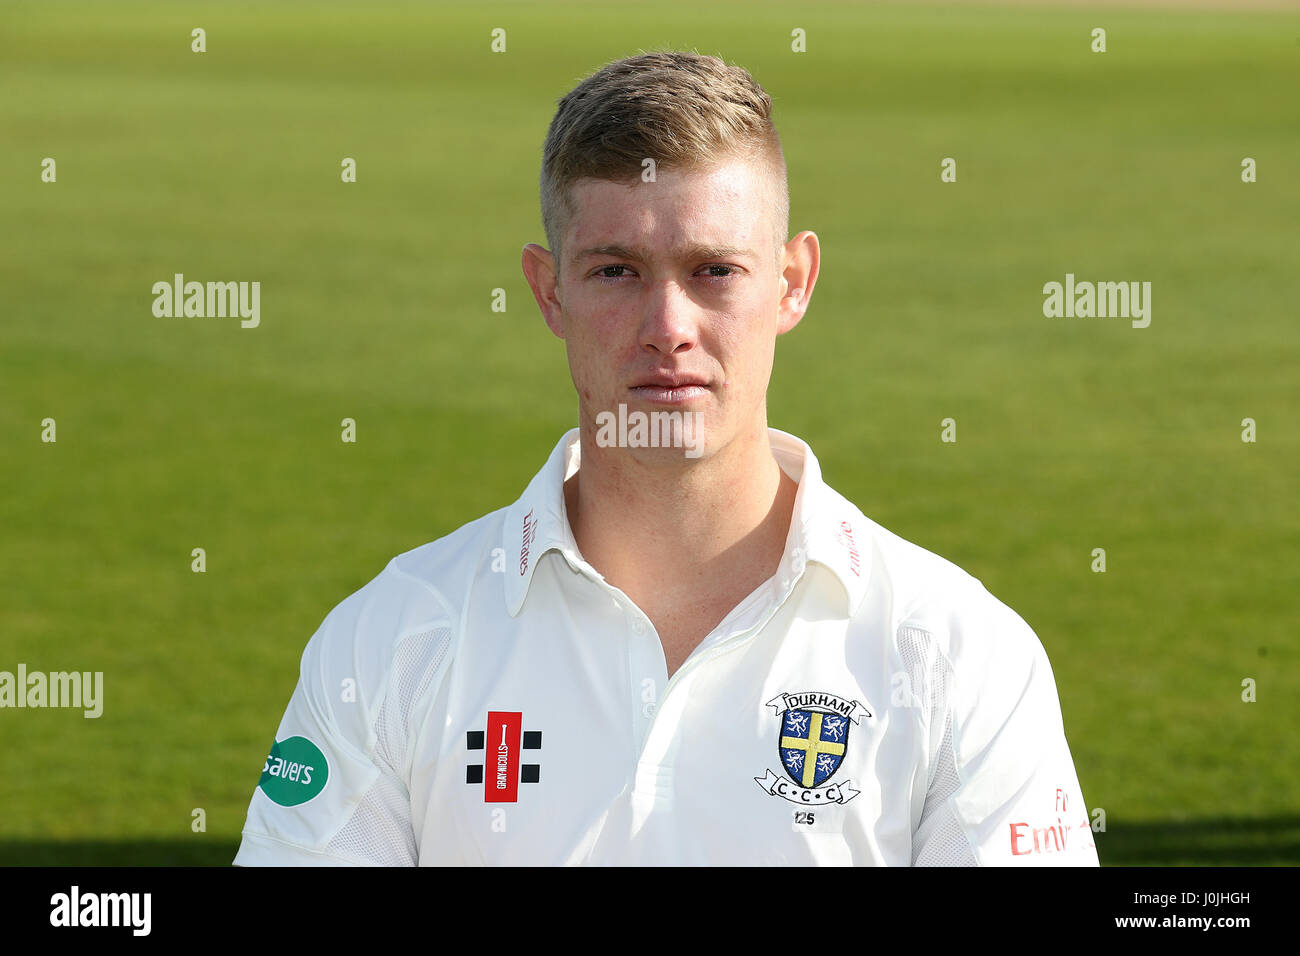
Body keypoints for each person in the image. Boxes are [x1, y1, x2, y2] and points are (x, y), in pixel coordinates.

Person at [233, 51, 1099, 866]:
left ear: (793, 283)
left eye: (715, 270)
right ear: (548, 291)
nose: (668, 328)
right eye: (616, 272)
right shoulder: (390, 644)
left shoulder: (957, 654)